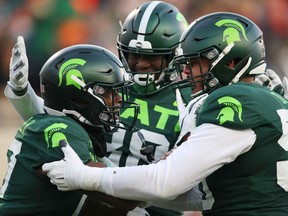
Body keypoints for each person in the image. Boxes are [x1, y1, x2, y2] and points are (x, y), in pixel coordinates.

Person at [43, 12, 288, 216]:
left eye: (195, 63)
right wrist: (134, 193)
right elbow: (197, 195)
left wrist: (83, 176)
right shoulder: (271, 98)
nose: (187, 73)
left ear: (231, 62)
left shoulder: (234, 101)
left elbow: (166, 182)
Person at [4, 2, 202, 215]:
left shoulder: (191, 101)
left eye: (152, 56)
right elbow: (59, 122)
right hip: (97, 201)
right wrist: (23, 94)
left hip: (152, 207)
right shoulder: (108, 86)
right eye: (133, 55)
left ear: (174, 55)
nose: (141, 65)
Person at [0, 41, 141, 215]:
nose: (119, 99)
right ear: (79, 99)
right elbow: (124, 197)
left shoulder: (73, 128)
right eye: (109, 91)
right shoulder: (58, 128)